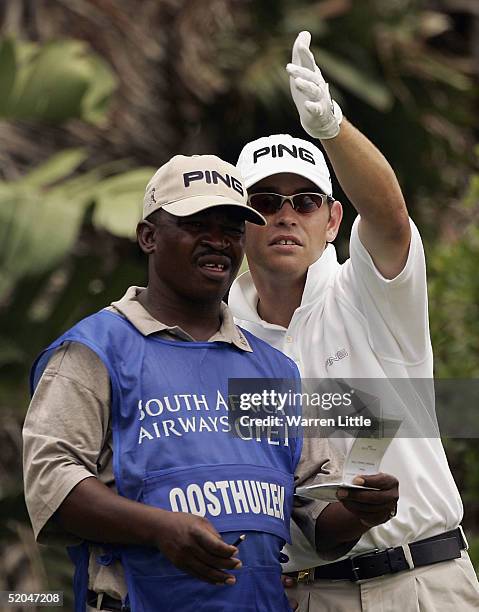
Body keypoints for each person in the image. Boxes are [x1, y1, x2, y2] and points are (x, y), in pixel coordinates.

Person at [23, 153, 398, 612]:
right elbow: (51, 480)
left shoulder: (267, 367)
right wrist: (158, 528)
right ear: (148, 237)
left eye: (231, 230)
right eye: (198, 225)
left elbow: (316, 516)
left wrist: (359, 512)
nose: (217, 242)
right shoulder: (97, 348)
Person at [229, 31, 479, 612]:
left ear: (333, 218)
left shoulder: (366, 294)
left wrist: (330, 127)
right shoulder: (223, 339)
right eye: (264, 202)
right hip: (309, 595)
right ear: (240, 222)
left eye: (305, 201)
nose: (285, 214)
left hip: (424, 582)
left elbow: (390, 218)